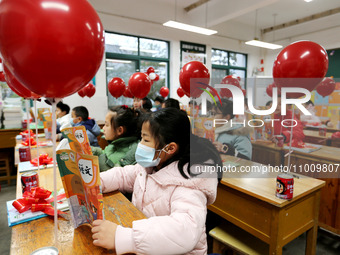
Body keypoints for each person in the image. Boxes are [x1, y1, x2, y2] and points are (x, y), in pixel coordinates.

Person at [91, 108, 222, 254]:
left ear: (170, 148)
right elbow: (123, 175)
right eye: (141, 138)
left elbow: (185, 230)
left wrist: (124, 237)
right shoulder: (152, 164)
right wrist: (94, 182)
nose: (140, 144)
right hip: (147, 246)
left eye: (146, 140)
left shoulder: (189, 183)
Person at [91, 105, 140, 172]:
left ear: (119, 130)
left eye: (107, 125)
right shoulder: (115, 144)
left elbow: (113, 173)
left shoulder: (129, 155)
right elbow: (105, 153)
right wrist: (91, 150)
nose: (103, 128)